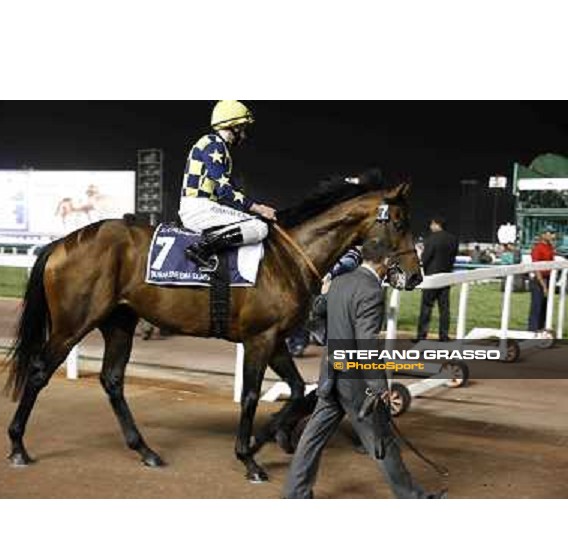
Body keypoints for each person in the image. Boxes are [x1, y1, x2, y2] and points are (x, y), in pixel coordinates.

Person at [283, 239, 444, 499]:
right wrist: (379, 386)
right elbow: (366, 342)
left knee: (312, 438)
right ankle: (414, 498)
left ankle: (295, 493)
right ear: (384, 261)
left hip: (331, 374)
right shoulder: (371, 290)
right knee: (382, 440)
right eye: (391, 261)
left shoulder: (341, 281)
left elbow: (318, 311)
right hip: (355, 381)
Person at [179, 100, 276, 270]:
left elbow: (226, 191)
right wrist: (259, 208)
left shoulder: (215, 144)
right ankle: (201, 249)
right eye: (242, 128)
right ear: (234, 127)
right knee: (258, 226)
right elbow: (225, 190)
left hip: (202, 206)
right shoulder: (213, 144)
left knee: (250, 220)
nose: (244, 135)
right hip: (199, 208)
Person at [415, 216, 459, 342]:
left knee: (426, 307)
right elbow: (453, 257)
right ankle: (444, 335)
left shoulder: (431, 239)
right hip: (446, 276)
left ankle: (421, 336)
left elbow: (425, 259)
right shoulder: (453, 239)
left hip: (432, 277)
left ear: (435, 224)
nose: (430, 227)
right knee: (444, 308)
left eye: (431, 224)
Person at [528, 227, 556, 331]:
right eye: (551, 233)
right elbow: (536, 268)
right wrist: (543, 285)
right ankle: (532, 330)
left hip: (548, 278)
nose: (553, 236)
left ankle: (541, 328)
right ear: (543, 235)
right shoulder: (538, 248)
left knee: (545, 306)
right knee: (537, 306)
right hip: (538, 279)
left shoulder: (550, 247)